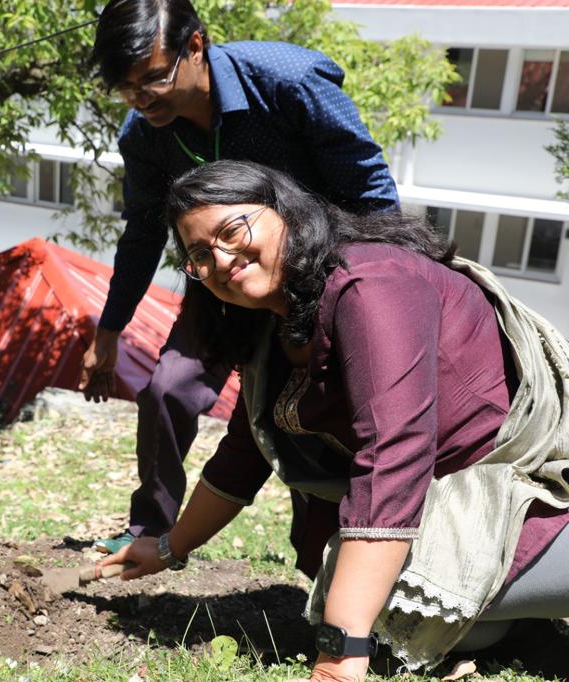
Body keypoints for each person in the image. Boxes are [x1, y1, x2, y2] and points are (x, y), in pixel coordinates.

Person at [101, 160, 569, 678]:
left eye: (232, 230)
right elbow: (245, 451)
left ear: (287, 213)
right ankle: (519, 623)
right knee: (393, 608)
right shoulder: (274, 324)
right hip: (441, 509)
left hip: (528, 492)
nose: (222, 258)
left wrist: (340, 654)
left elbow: (394, 452)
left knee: (377, 604)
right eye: (199, 255)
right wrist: (168, 547)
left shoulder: (370, 283)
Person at [78, 0, 399, 554]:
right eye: (126, 89)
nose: (141, 99)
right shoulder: (144, 136)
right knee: (167, 390)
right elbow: (140, 237)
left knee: (310, 409)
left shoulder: (289, 81)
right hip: (222, 285)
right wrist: (108, 334)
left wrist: (380, 290)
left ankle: (333, 539)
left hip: (314, 280)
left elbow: (370, 189)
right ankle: (147, 530)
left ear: (195, 46)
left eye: (153, 78)